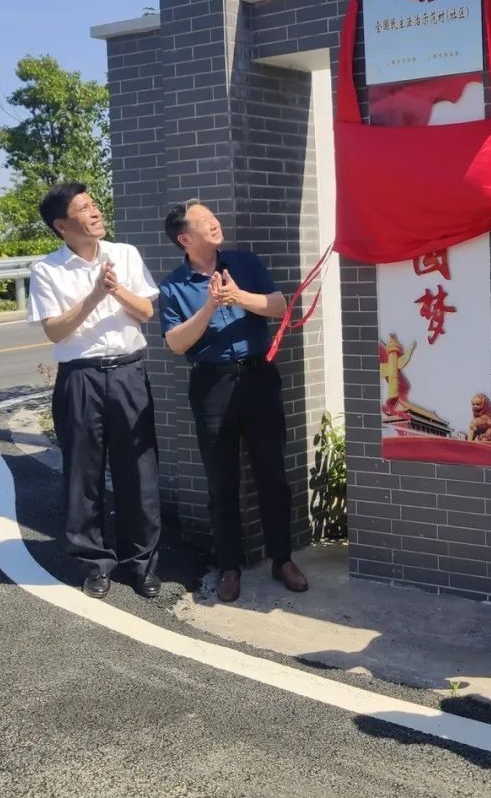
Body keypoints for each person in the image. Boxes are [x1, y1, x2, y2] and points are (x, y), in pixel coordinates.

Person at [158, 200, 308, 603]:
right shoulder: (173, 286)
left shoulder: (244, 262)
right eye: (205, 221)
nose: (215, 223)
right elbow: (175, 343)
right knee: (222, 482)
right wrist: (209, 306)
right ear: (185, 238)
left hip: (258, 378)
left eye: (213, 217)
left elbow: (279, 305)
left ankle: (282, 559)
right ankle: (228, 566)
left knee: (272, 474)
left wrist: (238, 297)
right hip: (212, 387)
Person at [26, 182, 162, 599]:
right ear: (62, 225)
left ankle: (142, 565)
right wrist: (92, 296)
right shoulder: (46, 269)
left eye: (94, 204)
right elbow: (55, 329)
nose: (95, 211)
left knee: (138, 473)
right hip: (80, 379)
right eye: (83, 208)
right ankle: (94, 563)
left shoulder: (125, 254)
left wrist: (116, 288)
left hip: (128, 374)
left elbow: (146, 312)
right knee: (82, 475)